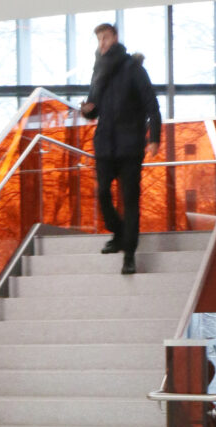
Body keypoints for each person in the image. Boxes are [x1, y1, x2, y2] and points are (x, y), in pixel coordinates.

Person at [80, 22, 161, 275]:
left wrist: (154, 138)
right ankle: (118, 232)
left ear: (115, 38)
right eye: (99, 39)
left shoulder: (133, 68)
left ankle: (129, 254)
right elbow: (94, 110)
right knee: (103, 193)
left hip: (130, 145)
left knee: (130, 200)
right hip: (105, 144)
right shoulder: (98, 71)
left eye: (105, 38)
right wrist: (88, 111)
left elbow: (152, 105)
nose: (102, 43)